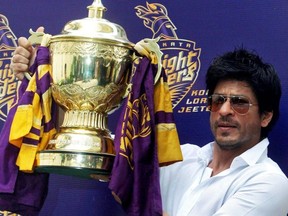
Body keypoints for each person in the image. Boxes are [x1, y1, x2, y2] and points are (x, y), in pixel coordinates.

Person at [10, 31, 288, 215]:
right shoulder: (181, 158)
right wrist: (46, 76)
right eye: (217, 100)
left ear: (266, 115)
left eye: (239, 102)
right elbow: (112, 165)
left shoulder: (270, 183)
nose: (225, 110)